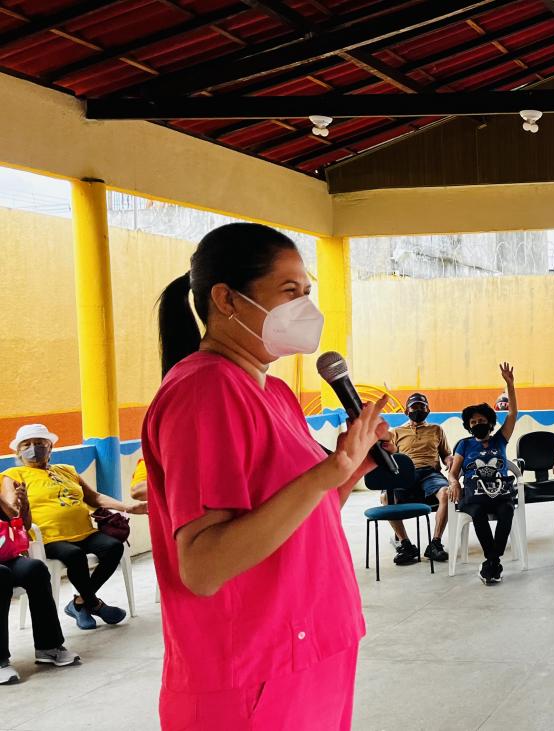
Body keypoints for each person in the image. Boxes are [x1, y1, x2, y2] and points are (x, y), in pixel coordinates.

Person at [143, 222, 390, 728]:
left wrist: (350, 468)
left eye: (307, 292)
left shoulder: (274, 393)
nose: (305, 307)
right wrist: (326, 473)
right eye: (289, 291)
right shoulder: (205, 391)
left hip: (313, 644)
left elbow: (301, 516)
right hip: (252, 667)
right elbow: (204, 566)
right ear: (227, 300)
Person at [2, 424, 145, 630]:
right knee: (75, 555)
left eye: (39, 443)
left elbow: (94, 498)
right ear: (18, 451)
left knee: (114, 547)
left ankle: (79, 603)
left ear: (50, 448)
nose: (33, 448)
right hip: (49, 537)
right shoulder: (13, 475)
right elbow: (11, 511)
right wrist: (20, 503)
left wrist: (127, 507)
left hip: (84, 532)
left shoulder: (67, 470)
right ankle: (95, 604)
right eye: (27, 444)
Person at [1, 451, 80, 684]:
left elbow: (18, 523)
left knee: (34, 569)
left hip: (4, 555)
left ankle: (48, 647)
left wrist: (23, 505)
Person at [447, 364, 519, 585]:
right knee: (477, 513)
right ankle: (494, 562)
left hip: (500, 493)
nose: (478, 424)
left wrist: (510, 384)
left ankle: (491, 562)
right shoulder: (464, 444)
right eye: (473, 422)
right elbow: (453, 473)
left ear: (490, 422)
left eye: (481, 421)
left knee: (507, 510)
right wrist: (454, 483)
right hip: (474, 496)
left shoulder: (500, 439)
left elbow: (512, 414)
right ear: (468, 427)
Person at [384, 393, 452, 564]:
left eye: (422, 407)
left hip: (431, 473)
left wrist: (450, 461)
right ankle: (406, 545)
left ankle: (435, 544)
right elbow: (391, 457)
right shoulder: (396, 432)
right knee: (386, 497)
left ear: (428, 410)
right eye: (414, 407)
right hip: (406, 474)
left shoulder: (437, 429)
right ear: (406, 411)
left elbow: (445, 454)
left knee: (446, 493)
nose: (418, 410)